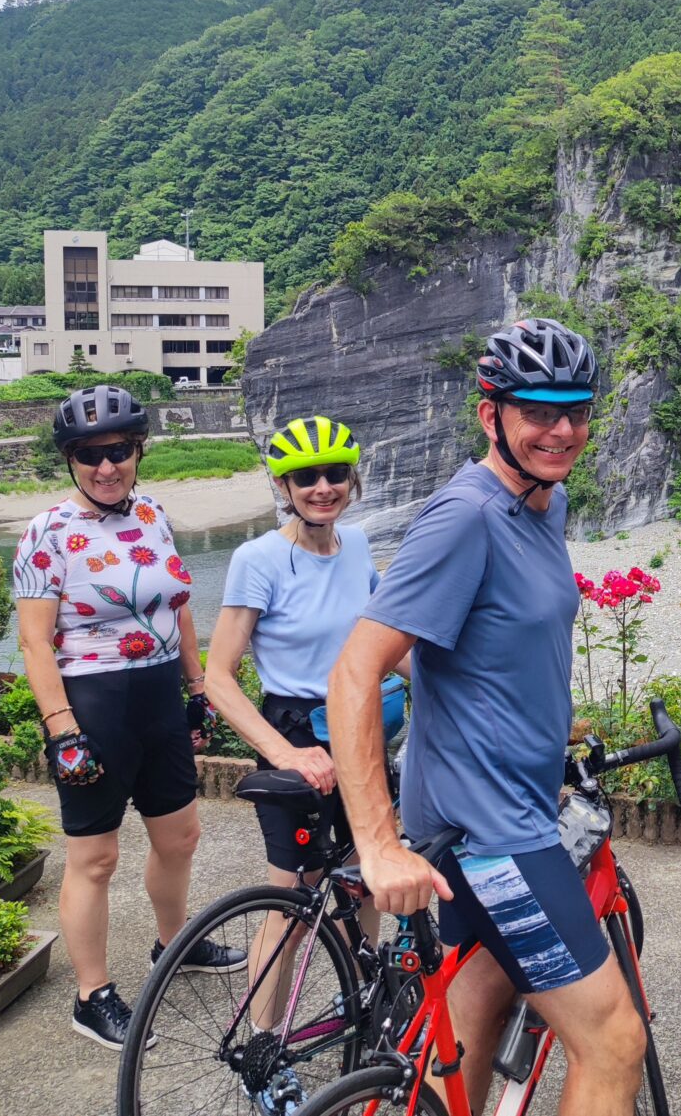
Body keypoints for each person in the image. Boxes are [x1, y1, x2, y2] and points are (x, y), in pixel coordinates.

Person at [325, 318, 648, 1116]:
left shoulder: (546, 500)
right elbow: (354, 670)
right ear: (490, 414)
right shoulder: (466, 515)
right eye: (538, 410)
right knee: (612, 1041)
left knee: (472, 1015)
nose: (563, 428)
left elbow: (460, 639)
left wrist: (519, 721)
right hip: (496, 832)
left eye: (576, 409)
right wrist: (378, 843)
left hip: (511, 807)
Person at [12, 384, 243, 1051]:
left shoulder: (153, 514)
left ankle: (176, 946)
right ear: (70, 459)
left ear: (138, 450)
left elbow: (177, 605)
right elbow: (34, 641)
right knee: (95, 856)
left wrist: (197, 687)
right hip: (92, 703)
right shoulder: (47, 532)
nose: (105, 466)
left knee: (181, 836)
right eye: (89, 454)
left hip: (157, 699)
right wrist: (61, 728)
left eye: (118, 450)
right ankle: (92, 995)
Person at [203, 415, 399, 1066]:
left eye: (335, 474)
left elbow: (382, 646)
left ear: (352, 479)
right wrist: (284, 753)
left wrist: (453, 685)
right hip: (293, 733)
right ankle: (261, 1045)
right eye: (306, 477)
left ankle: (363, 1008)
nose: (323, 487)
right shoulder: (257, 558)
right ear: (285, 485)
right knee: (289, 896)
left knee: (365, 880)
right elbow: (218, 678)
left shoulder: (358, 546)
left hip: (357, 725)